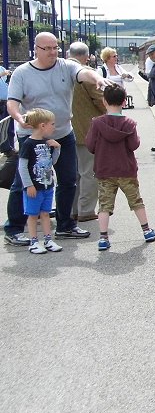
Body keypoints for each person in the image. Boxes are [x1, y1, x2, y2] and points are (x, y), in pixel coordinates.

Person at [4, 31, 110, 246]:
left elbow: (83, 73)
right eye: (48, 48)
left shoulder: (66, 66)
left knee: (68, 180)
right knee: (23, 182)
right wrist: (18, 117)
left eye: (55, 48)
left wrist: (98, 78)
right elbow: (12, 103)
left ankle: (65, 225)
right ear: (36, 49)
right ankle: (14, 228)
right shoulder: (22, 73)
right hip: (32, 137)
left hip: (63, 133)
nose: (53, 52)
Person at [85, 84, 155, 251]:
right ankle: (147, 231)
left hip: (104, 171)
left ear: (104, 101)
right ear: (124, 102)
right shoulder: (129, 124)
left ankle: (103, 238)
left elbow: (90, 146)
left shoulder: (97, 123)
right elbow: (134, 145)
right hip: (126, 171)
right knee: (136, 201)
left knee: (104, 205)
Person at [67, 42, 107, 222]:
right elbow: (100, 99)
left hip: (64, 131)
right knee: (89, 172)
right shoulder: (86, 75)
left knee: (71, 173)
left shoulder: (59, 71)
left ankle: (72, 210)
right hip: (86, 131)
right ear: (86, 56)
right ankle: (86, 210)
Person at [17, 108, 64, 254]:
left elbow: (52, 162)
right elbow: (22, 166)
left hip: (47, 185)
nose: (54, 127)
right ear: (43, 125)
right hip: (34, 187)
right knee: (32, 215)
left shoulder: (47, 142)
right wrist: (28, 185)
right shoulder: (28, 144)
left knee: (45, 213)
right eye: (52, 124)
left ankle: (48, 239)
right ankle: (33, 241)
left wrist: (57, 148)